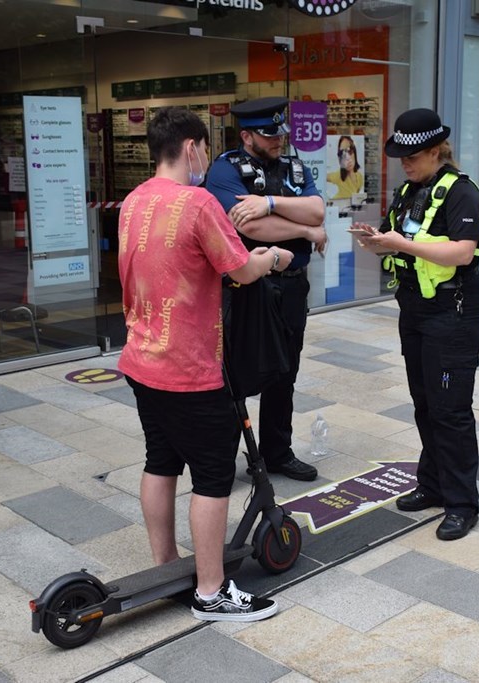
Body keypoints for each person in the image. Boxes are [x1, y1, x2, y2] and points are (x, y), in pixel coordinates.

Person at [117, 106, 293, 622]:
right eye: (205, 149)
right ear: (192, 147)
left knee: (160, 461)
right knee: (214, 476)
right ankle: (211, 591)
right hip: (191, 366)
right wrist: (274, 258)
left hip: (141, 358)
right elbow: (240, 269)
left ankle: (166, 566)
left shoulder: (132, 202)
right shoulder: (196, 203)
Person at [353, 108, 479, 541]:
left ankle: (462, 503)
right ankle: (432, 484)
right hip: (415, 311)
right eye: (401, 156)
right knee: (425, 403)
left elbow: (463, 252)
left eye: (412, 156)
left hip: (453, 313)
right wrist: (377, 242)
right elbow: (398, 244)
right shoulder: (411, 190)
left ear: (435, 151)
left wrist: (402, 243)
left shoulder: (461, 192)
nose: (405, 164)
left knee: (450, 410)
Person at [205, 96, 327, 482]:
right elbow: (249, 229)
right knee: (234, 371)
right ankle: (222, 458)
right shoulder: (225, 170)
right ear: (246, 135)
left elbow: (318, 210)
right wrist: (305, 231)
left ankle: (278, 452)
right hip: (247, 286)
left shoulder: (293, 166)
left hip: (291, 287)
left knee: (285, 371)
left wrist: (269, 202)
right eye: (268, 134)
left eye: (281, 133)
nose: (279, 140)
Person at [326, 135, 364, 200]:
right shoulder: (339, 176)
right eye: (342, 153)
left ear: (354, 152)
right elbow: (322, 176)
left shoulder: (360, 177)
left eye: (350, 151)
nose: (347, 158)